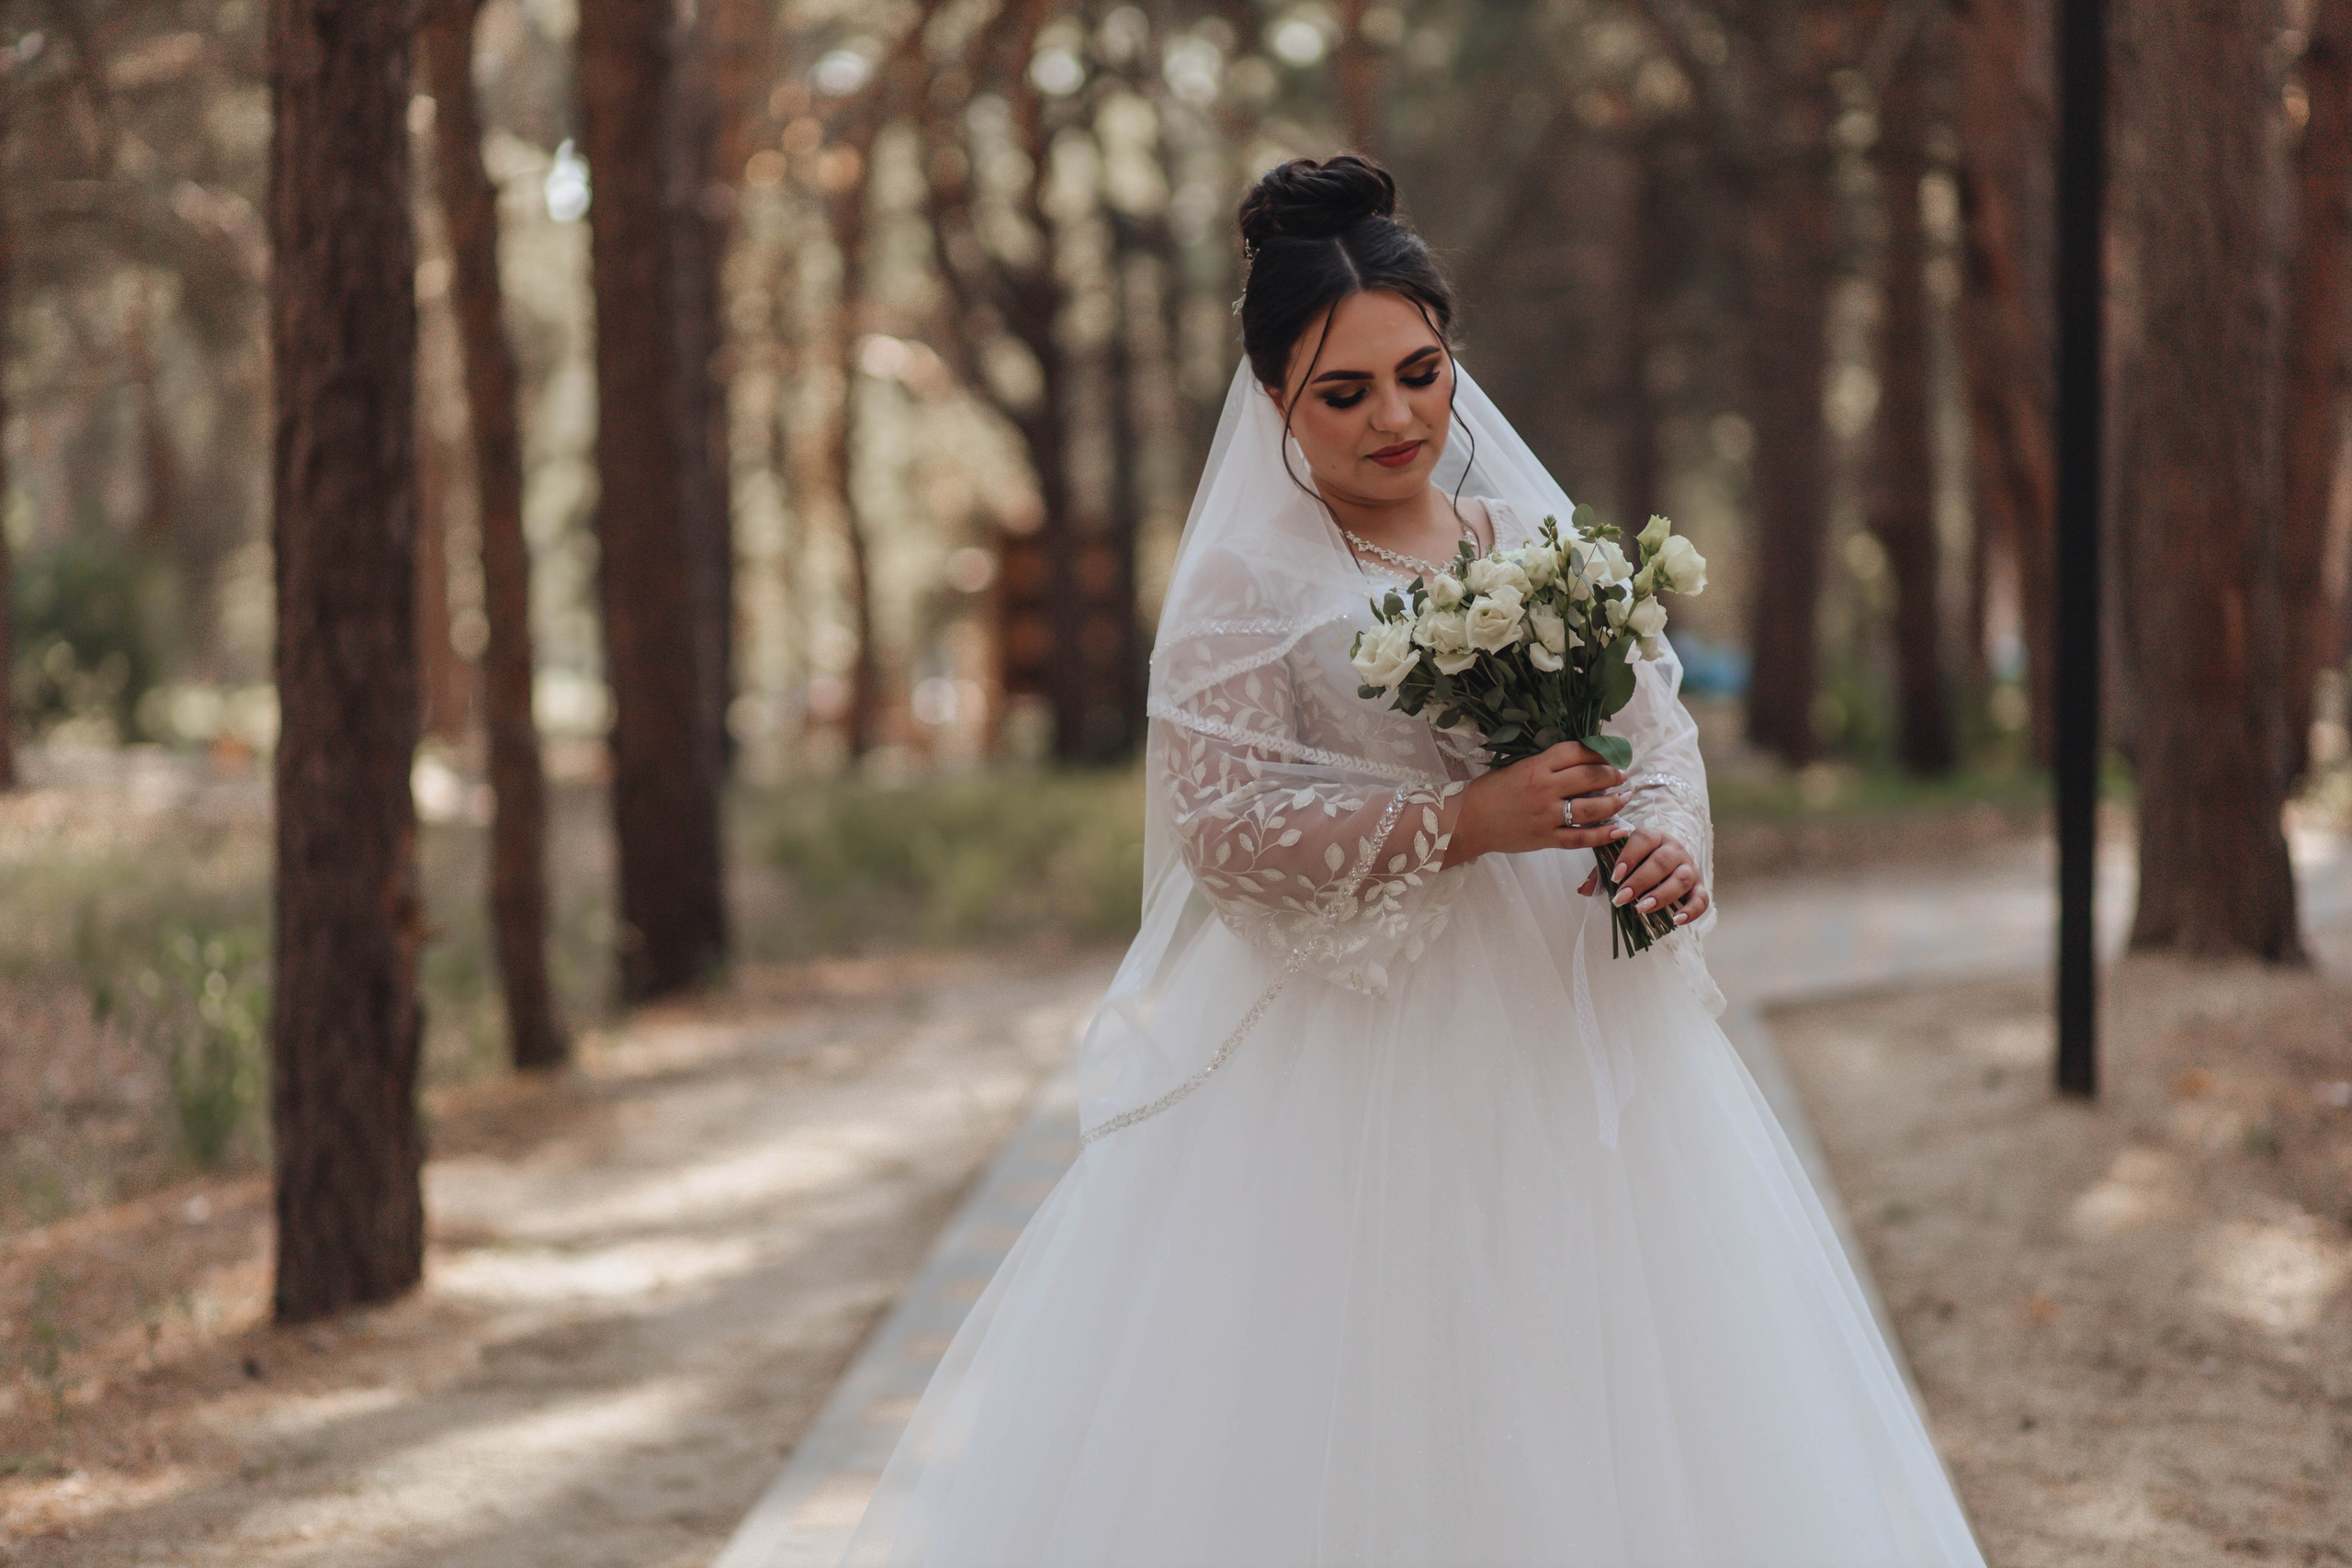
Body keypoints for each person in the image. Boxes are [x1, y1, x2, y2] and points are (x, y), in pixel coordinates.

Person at [837, 153, 1986, 1567]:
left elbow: (1654, 731)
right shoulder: (1242, 588)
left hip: (1575, 1024)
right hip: (1349, 1052)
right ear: (1274, 398)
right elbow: (1223, 830)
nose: (1396, 417)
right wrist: (1461, 823)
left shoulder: (1533, 540)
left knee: (1592, 1357)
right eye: (1345, 393)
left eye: (1420, 373)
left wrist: (1670, 840)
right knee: (1374, 1376)